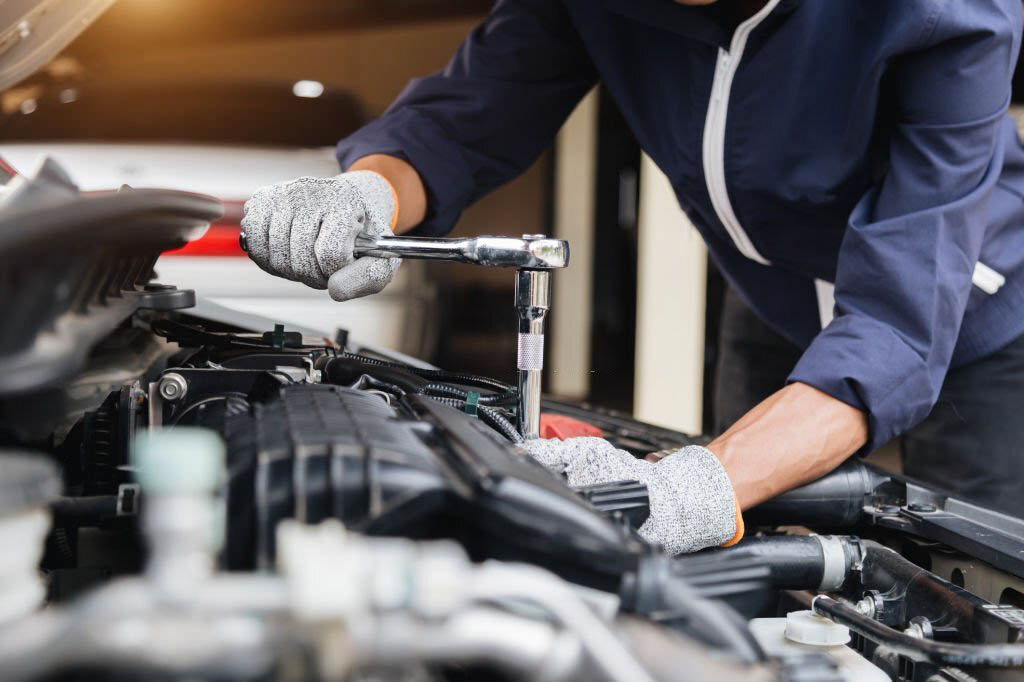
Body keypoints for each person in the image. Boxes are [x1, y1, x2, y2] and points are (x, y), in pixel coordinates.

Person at [241, 0, 1024, 554]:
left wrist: (698, 485)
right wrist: (370, 195)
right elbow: (467, 115)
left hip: (973, 320)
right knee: (756, 570)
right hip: (772, 302)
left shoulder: (946, 11)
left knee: (969, 593)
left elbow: (898, 323)